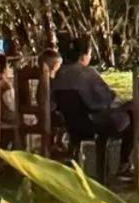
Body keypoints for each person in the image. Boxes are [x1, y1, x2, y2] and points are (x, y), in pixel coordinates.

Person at [52, 35, 133, 175]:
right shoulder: (87, 73)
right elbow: (107, 98)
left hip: (71, 125)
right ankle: (124, 163)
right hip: (92, 124)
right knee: (131, 114)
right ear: (84, 56)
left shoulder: (58, 74)